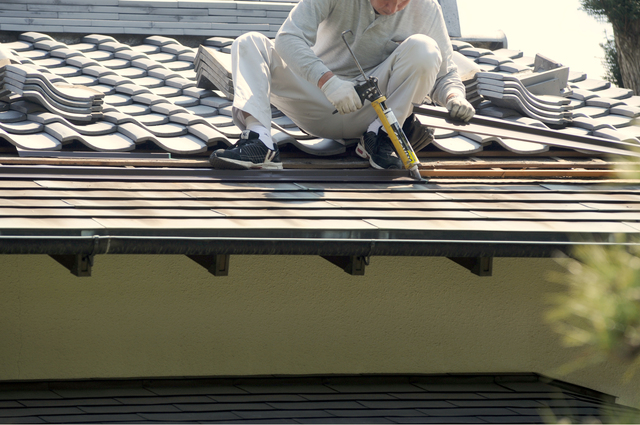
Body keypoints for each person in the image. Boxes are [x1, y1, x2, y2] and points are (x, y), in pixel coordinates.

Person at [209, 0, 475, 170]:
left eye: (403, 1)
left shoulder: (428, 8)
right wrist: (328, 82)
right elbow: (288, 38)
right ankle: (259, 141)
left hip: (376, 109)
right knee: (249, 42)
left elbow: (444, 73)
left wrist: (454, 96)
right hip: (317, 100)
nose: (393, 8)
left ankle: (381, 137)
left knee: (425, 48)